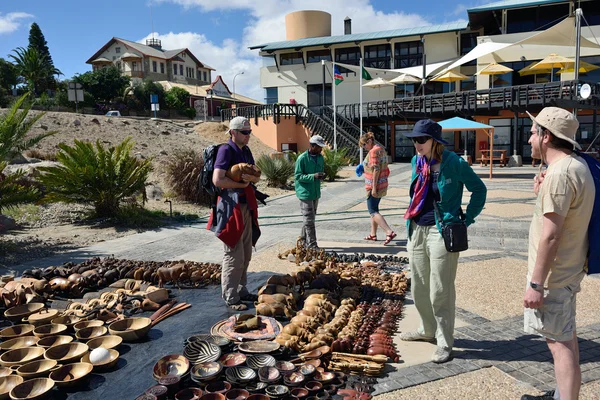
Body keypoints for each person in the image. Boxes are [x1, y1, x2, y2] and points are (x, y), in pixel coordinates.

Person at [520, 107, 595, 400]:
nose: (529, 140)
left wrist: (536, 284)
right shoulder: (576, 165)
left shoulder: (560, 174)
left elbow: (551, 235)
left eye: (532, 132)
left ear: (546, 136)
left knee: (559, 345)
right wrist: (542, 193)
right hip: (570, 269)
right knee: (567, 338)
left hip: (554, 277)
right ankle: (562, 395)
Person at [399, 119, 486, 363]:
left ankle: (444, 341)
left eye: (421, 139)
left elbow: (479, 189)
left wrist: (466, 219)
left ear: (435, 141)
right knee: (418, 286)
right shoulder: (417, 161)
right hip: (417, 227)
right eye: (414, 139)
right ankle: (427, 330)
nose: (416, 144)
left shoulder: (454, 162)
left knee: (440, 290)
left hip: (442, 230)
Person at [210, 116, 261, 311]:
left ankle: (241, 290)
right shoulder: (225, 150)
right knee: (233, 253)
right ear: (233, 132)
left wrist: (253, 178)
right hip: (231, 208)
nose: (248, 135)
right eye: (244, 132)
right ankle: (230, 297)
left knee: (246, 252)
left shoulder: (246, 151)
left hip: (246, 205)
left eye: (249, 132)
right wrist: (242, 183)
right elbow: (218, 180)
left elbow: (255, 174)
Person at [359, 132, 396, 245]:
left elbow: (376, 169)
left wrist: (373, 188)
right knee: (375, 209)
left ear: (369, 142)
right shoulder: (381, 149)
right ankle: (373, 234)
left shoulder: (373, 151)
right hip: (383, 183)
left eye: (364, 145)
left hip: (374, 185)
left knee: (373, 211)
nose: (364, 148)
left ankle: (389, 231)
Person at [294, 134, 326, 249]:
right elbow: (298, 176)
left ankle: (302, 241)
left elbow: (320, 171)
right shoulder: (302, 158)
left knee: (309, 219)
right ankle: (312, 245)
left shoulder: (320, 158)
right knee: (309, 220)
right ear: (312, 146)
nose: (321, 149)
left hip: (315, 193)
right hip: (305, 193)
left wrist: (321, 176)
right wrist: (313, 176)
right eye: (319, 147)